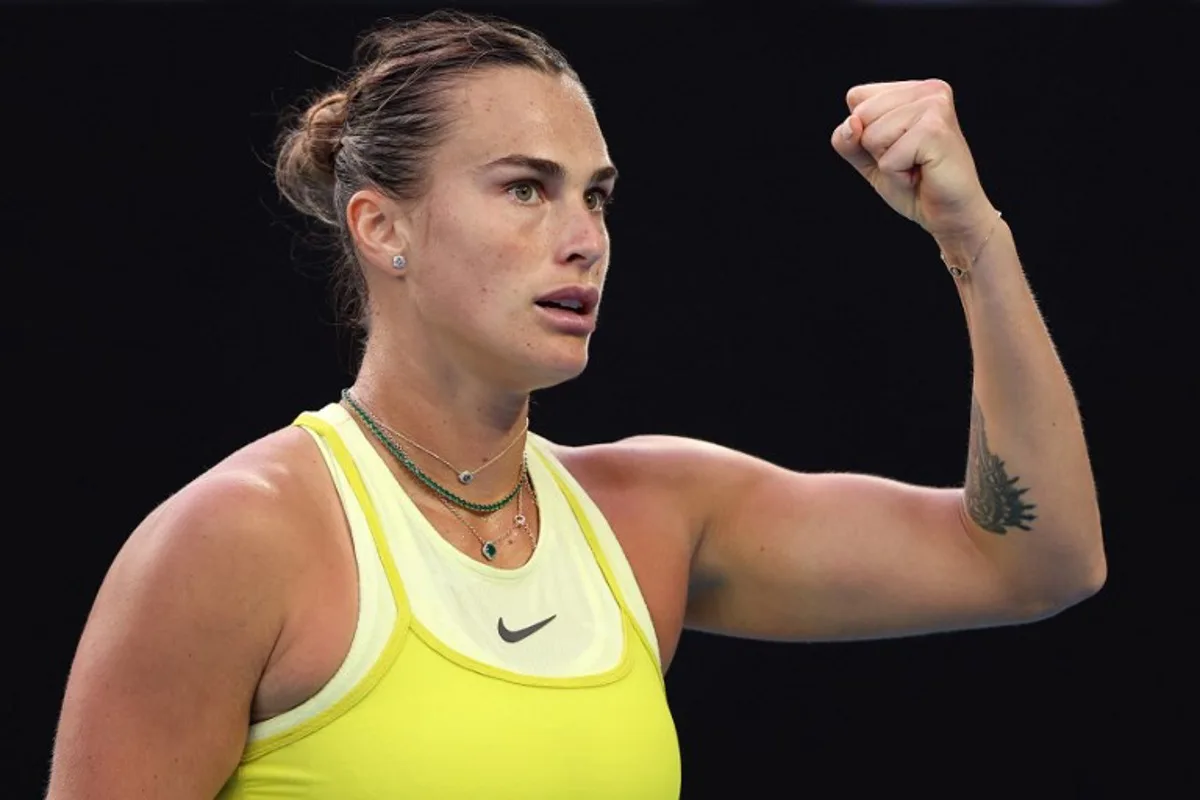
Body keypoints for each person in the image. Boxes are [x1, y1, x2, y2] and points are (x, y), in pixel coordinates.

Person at [45, 9, 1105, 799]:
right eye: (524, 186)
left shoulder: (649, 515)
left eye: (595, 194)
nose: (583, 235)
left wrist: (972, 241)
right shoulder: (234, 538)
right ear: (381, 226)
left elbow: (1038, 558)